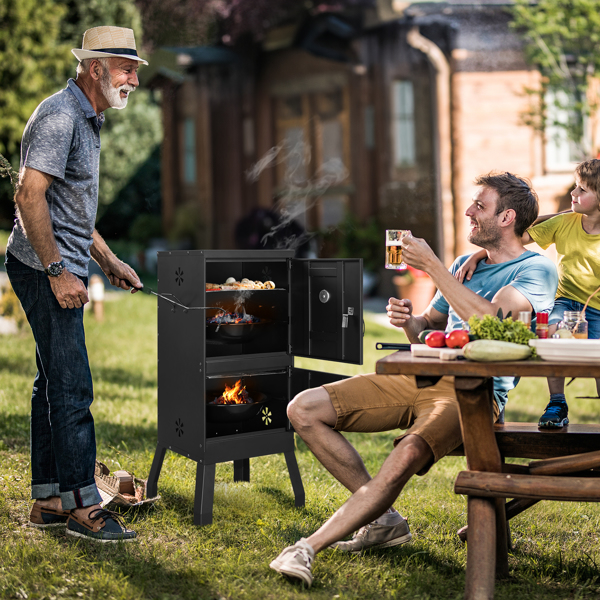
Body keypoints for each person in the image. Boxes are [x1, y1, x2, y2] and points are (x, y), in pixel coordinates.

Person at [269, 172, 558, 587]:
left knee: (403, 456)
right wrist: (409, 321)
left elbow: (493, 324)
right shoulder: (465, 266)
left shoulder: (536, 270)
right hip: (420, 375)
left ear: (507, 217)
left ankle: (308, 547)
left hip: (472, 394)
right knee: (304, 408)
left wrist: (434, 267)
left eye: (480, 206)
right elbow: (430, 329)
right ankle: (383, 519)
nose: (468, 212)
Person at [4, 26, 148, 542]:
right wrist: (58, 272)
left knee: (53, 382)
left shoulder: (88, 119)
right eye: (126, 69)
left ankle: (49, 501)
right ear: (96, 69)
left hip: (57, 261)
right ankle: (85, 510)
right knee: (72, 386)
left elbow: (68, 208)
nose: (133, 79)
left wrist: (108, 260)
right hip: (43, 267)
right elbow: (28, 195)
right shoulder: (62, 116)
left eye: (135, 70)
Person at [456, 159, 600, 428]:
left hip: (599, 309)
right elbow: (513, 237)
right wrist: (478, 253)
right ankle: (557, 400)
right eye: (575, 187)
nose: (573, 193)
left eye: (582, 189)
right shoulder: (564, 223)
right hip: (567, 300)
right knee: (553, 337)